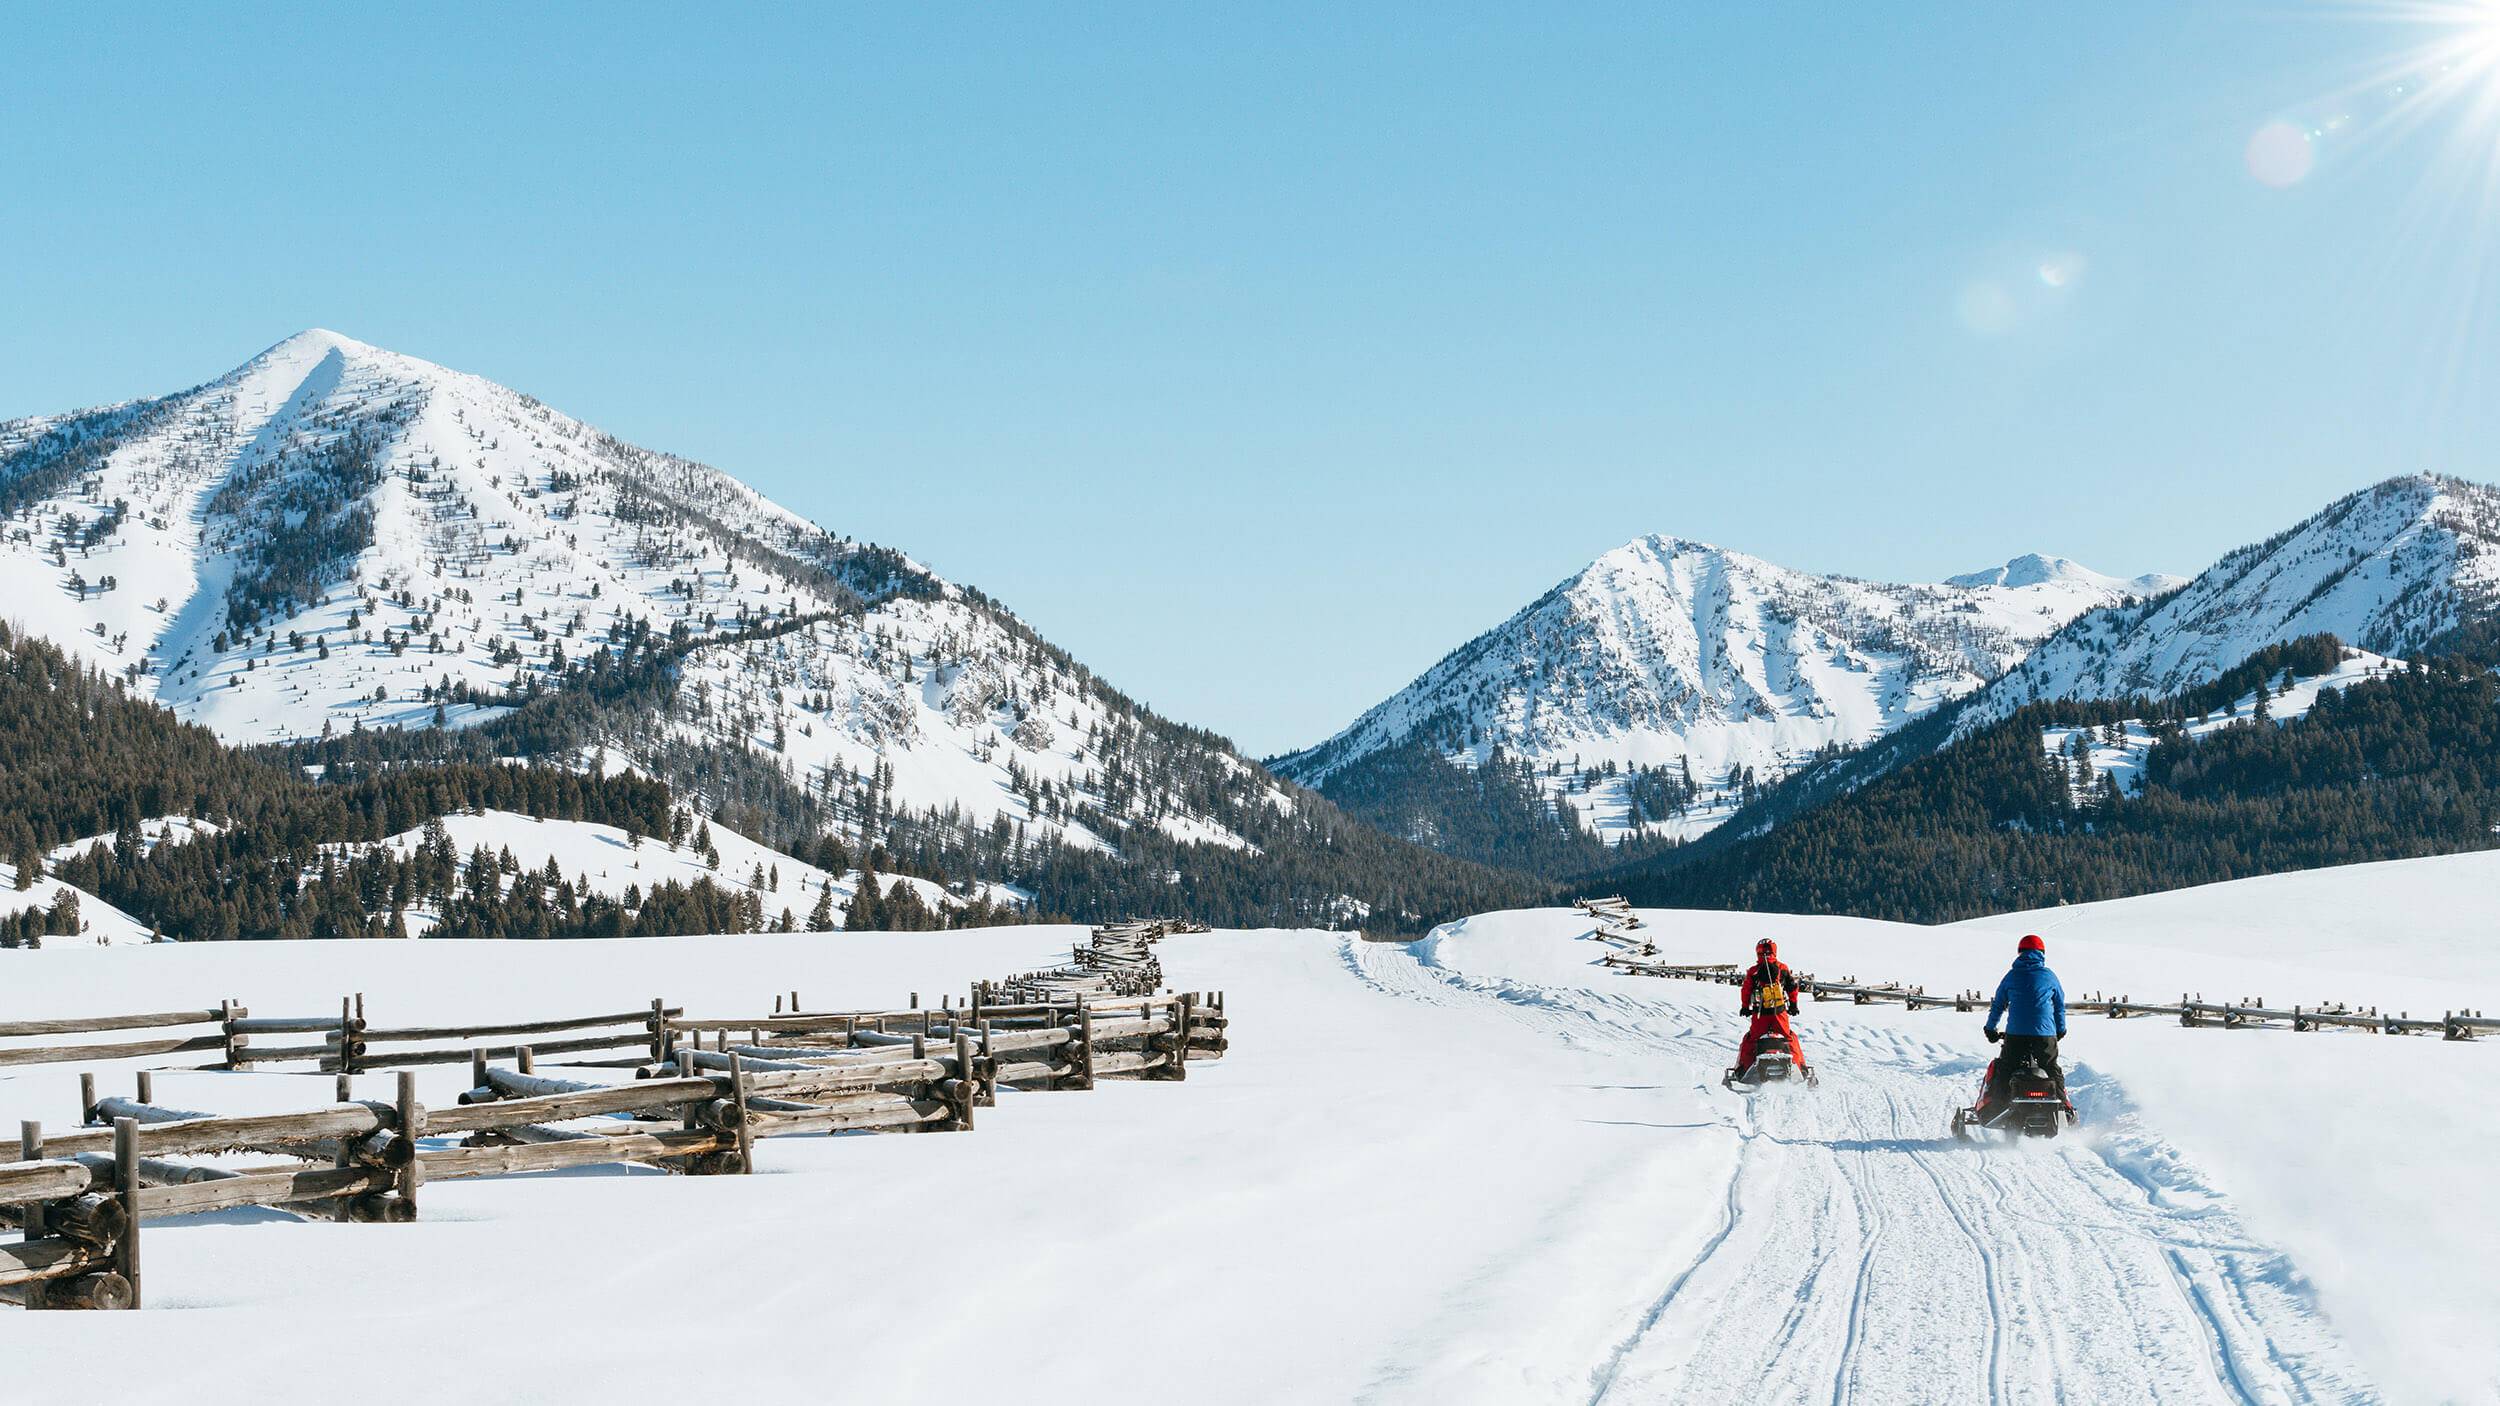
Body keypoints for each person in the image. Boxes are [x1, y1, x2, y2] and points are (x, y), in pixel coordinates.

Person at [1980, 933, 2069, 1113]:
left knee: (2005, 1069)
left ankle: (1998, 1107)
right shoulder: (2050, 976)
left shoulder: (2011, 976)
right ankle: (2064, 1107)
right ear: (2042, 953)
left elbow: (1998, 1005)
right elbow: (2059, 1006)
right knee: (2052, 1069)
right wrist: (2060, 1029)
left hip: (2016, 1035)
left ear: (2020, 952)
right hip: (2045, 1035)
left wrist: (1990, 1029)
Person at [1735, 937, 1807, 1079]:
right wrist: (1793, 1005)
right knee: (1789, 1038)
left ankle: (1742, 1069)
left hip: (1760, 1015)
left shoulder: (1754, 971)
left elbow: (1746, 990)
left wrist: (1745, 1007)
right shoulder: (1783, 968)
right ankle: (1801, 1068)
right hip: (1779, 1014)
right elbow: (1792, 988)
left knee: (1751, 1040)